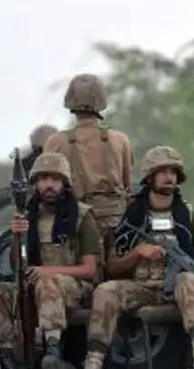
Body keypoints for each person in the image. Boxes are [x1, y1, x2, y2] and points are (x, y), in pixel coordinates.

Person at [76, 146, 194, 369]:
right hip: (141, 287)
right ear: (150, 177)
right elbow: (113, 265)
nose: (169, 177)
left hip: (176, 290)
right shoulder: (132, 216)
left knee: (188, 280)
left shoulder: (189, 215)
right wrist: (138, 253)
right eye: (162, 171)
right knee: (106, 291)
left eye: (173, 171)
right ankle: (93, 367)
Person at [0, 152, 101, 369]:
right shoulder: (28, 216)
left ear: (64, 183)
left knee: (47, 282)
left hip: (75, 287)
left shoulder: (81, 216)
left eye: (55, 179)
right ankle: (12, 365)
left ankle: (52, 350)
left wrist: (47, 271)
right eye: (43, 179)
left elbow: (90, 270)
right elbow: (19, 266)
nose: (49, 185)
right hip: (35, 283)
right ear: (35, 184)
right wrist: (17, 236)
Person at [43, 73, 134, 245]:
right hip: (115, 223)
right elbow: (127, 184)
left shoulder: (55, 142)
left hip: (73, 223)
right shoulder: (120, 140)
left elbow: (45, 187)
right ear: (101, 101)